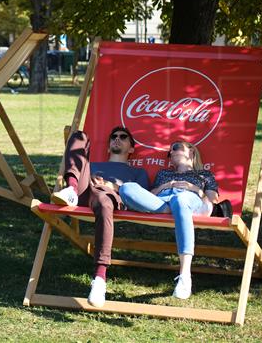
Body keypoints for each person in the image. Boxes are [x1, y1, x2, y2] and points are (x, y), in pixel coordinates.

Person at [50, 127, 150, 308]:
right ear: (108, 147)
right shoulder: (94, 166)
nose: (116, 139)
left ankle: (99, 278)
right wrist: (88, 179)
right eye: (113, 137)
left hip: (109, 197)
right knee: (79, 135)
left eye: (123, 137)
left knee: (104, 201)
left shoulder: (138, 173)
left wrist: (115, 186)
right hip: (84, 191)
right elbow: (81, 165)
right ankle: (71, 189)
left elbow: (142, 197)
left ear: (132, 149)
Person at [119, 141, 219, 300]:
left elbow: (212, 199)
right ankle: (172, 209)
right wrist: (167, 185)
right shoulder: (163, 174)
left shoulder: (204, 175)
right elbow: (151, 194)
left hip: (190, 200)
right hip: (163, 202)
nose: (171, 152)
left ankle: (185, 275)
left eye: (176, 147)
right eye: (169, 152)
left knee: (180, 200)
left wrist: (192, 188)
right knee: (126, 188)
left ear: (191, 151)